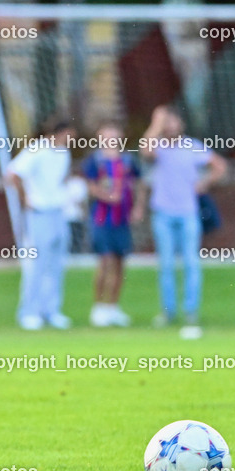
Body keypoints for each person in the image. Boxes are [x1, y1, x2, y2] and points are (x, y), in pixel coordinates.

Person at [140, 105, 227, 339]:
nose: (170, 126)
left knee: (191, 263)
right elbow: (145, 150)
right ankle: (168, 312)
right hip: (163, 213)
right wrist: (156, 123)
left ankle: (191, 311)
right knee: (166, 265)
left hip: (188, 212)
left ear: (181, 123)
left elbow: (219, 165)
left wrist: (204, 183)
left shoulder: (192, 146)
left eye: (172, 121)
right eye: (166, 122)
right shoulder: (158, 146)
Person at [5, 121, 76, 331]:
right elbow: (13, 174)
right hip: (39, 213)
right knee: (36, 264)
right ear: (59, 133)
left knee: (56, 264)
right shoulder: (37, 149)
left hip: (58, 212)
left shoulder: (63, 153)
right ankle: (29, 312)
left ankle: (51, 310)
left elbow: (61, 179)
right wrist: (25, 198)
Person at [83, 120, 146, 327]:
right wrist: (108, 196)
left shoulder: (127, 160)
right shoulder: (95, 161)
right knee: (105, 261)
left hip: (122, 220)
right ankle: (98, 307)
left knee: (119, 263)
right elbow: (91, 186)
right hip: (103, 219)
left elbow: (140, 184)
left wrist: (138, 207)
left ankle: (113, 307)